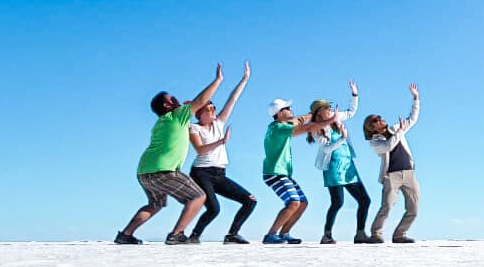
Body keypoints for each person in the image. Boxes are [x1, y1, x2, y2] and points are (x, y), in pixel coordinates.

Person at [116, 64, 224, 244]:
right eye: (173, 98)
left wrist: (190, 110)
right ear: (167, 105)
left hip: (144, 172)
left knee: (155, 204)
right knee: (198, 196)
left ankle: (125, 235)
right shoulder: (176, 115)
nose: (177, 99)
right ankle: (177, 234)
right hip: (163, 171)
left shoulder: (162, 122)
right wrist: (218, 81)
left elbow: (194, 107)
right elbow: (201, 100)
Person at [188, 61, 257, 244]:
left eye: (213, 109)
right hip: (201, 173)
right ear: (200, 114)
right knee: (213, 209)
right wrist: (221, 141)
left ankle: (232, 235)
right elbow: (200, 149)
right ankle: (194, 236)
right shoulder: (194, 128)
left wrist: (245, 79)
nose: (213, 112)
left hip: (219, 174)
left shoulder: (218, 124)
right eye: (209, 110)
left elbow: (232, 99)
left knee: (250, 200)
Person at [307, 81, 373, 244]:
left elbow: (351, 111)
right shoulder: (317, 129)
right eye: (327, 108)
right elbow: (327, 149)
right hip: (333, 168)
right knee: (337, 202)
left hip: (348, 166)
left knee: (365, 200)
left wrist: (355, 94)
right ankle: (327, 235)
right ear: (319, 113)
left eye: (330, 107)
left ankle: (360, 234)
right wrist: (342, 138)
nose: (330, 110)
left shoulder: (337, 118)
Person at [262, 98, 335, 244]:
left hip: (283, 173)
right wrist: (330, 120)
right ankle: (270, 235)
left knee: (302, 202)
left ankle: (284, 234)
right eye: (287, 108)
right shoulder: (278, 128)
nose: (291, 109)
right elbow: (306, 128)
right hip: (274, 173)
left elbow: (299, 120)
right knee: (294, 201)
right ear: (280, 113)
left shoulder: (283, 125)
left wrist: (311, 114)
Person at [362, 83, 421, 244]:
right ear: (372, 127)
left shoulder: (396, 129)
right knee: (387, 206)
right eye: (376, 120)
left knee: (413, 209)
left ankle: (399, 235)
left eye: (379, 117)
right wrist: (400, 131)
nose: (380, 119)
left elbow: (413, 118)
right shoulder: (375, 142)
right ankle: (376, 234)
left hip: (409, 173)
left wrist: (415, 98)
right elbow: (388, 146)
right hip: (391, 176)